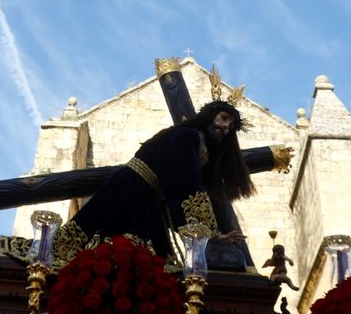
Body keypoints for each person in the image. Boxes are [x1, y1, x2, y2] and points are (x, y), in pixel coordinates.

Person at [59, 100, 255, 268]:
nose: (225, 127)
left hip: (143, 197)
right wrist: (207, 233)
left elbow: (176, 186)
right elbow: (187, 187)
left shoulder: (192, 139)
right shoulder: (188, 136)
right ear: (210, 116)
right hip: (132, 195)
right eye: (223, 118)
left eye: (230, 127)